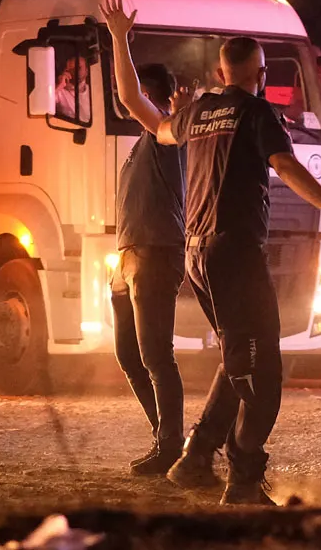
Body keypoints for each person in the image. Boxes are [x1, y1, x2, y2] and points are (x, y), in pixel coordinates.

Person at [102, 0, 321, 506]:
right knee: (263, 372)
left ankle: (196, 455)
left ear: (222, 70)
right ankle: (242, 479)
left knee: (236, 354)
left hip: (197, 254)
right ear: (259, 72)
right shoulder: (256, 112)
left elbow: (137, 105)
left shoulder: (197, 113)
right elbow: (288, 169)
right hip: (235, 254)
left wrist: (119, 38)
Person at [112, 62, 187, 476]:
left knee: (156, 355)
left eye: (145, 94)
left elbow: (129, 96)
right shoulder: (144, 141)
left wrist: (118, 38)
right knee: (129, 354)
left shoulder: (165, 133)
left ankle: (171, 446)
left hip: (155, 252)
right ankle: (166, 438)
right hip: (129, 255)